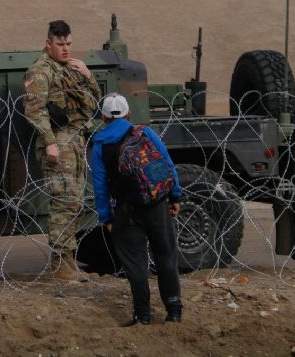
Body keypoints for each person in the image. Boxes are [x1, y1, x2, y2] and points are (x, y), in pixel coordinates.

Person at [90, 93, 183, 325]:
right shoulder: (144, 133)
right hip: (155, 204)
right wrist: (174, 196)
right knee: (166, 255)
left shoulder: (99, 145)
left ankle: (142, 315)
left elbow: (100, 186)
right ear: (128, 113)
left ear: (103, 117)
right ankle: (174, 310)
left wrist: (106, 217)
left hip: (125, 210)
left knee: (136, 263)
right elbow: (165, 164)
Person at [24, 19, 100, 281]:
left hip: (75, 142)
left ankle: (68, 261)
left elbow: (93, 103)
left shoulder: (72, 68)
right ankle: (59, 265)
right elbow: (35, 110)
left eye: (68, 43)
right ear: (48, 43)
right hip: (58, 142)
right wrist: (50, 142)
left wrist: (89, 76)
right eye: (60, 44)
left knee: (76, 204)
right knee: (63, 203)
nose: (65, 48)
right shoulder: (41, 71)